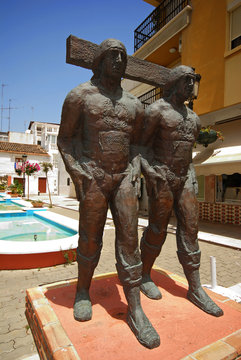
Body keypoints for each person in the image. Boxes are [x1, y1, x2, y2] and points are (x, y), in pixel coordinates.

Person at [57, 39, 160, 349]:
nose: (118, 60)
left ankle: (136, 310)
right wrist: (78, 173)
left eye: (122, 56)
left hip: (123, 178)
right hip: (94, 177)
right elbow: (65, 140)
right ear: (98, 61)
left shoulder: (133, 104)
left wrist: (136, 169)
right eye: (112, 55)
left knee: (130, 239)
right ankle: (82, 291)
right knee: (90, 237)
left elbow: (139, 145)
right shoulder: (80, 96)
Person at [139, 65, 223, 317]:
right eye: (187, 80)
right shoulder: (156, 111)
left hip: (185, 177)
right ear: (174, 82)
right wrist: (150, 172)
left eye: (193, 81)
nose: (191, 85)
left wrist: (193, 178)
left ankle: (195, 287)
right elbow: (139, 147)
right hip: (162, 176)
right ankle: (144, 275)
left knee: (191, 227)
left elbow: (188, 155)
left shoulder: (194, 119)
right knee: (158, 228)